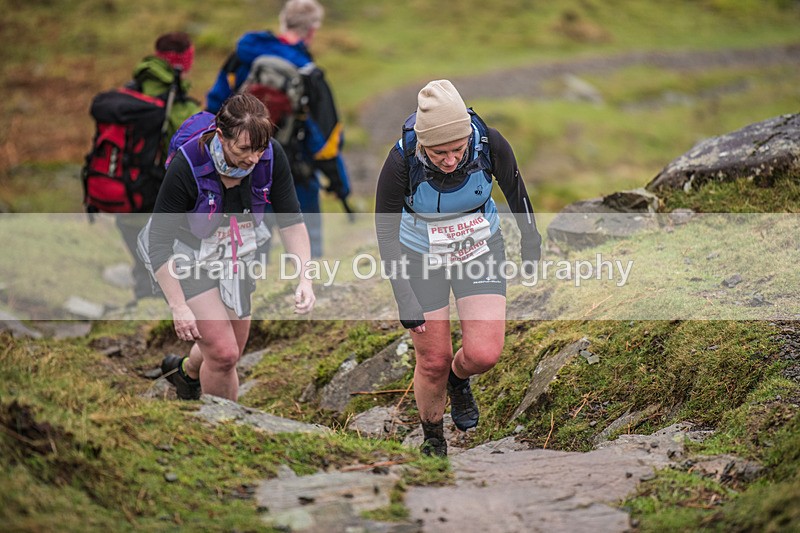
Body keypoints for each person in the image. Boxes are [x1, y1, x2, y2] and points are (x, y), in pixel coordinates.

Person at [375, 80, 542, 457]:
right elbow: (385, 234)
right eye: (438, 153)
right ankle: (433, 439)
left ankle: (459, 379)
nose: (450, 160)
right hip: (420, 257)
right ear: (422, 145)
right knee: (432, 361)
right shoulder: (400, 161)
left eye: (457, 149)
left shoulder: (489, 143)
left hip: (478, 249)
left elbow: (518, 193)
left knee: (483, 354)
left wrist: (531, 243)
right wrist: (404, 297)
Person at [145, 93, 316, 402]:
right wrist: (178, 305)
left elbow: (291, 223)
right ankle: (224, 427)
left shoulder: (271, 158)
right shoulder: (187, 165)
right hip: (189, 259)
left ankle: (184, 372)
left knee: (230, 351)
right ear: (221, 137)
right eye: (244, 149)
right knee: (224, 354)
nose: (253, 158)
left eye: (260, 148)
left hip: (238, 257)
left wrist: (305, 277)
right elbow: (158, 242)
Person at [205, 0, 350, 258]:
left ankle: (252, 282)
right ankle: (309, 281)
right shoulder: (307, 72)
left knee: (250, 240)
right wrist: (340, 183)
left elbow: (215, 104)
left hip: (242, 163)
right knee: (306, 238)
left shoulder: (244, 55)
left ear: (284, 21)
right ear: (312, 30)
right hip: (296, 169)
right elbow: (325, 140)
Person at [118, 32, 203, 302]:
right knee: (159, 257)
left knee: (143, 256)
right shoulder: (176, 104)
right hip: (156, 198)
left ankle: (142, 303)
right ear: (183, 60)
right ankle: (153, 307)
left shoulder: (131, 91)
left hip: (124, 191)